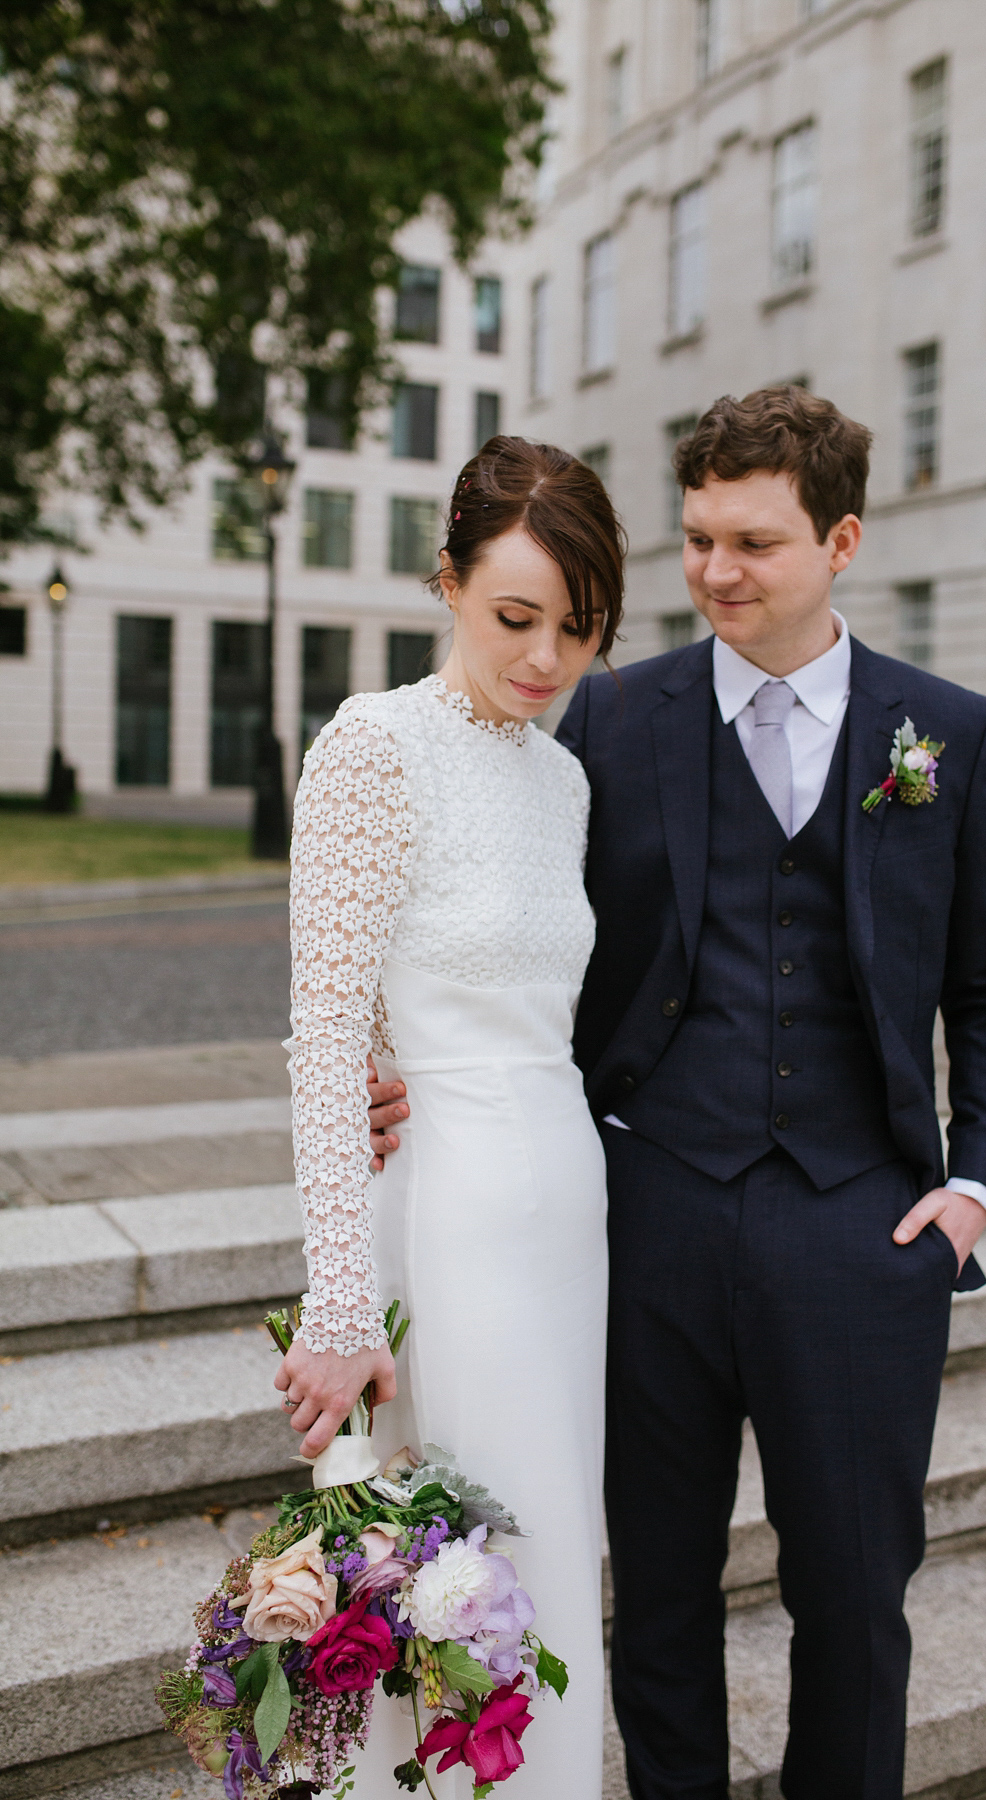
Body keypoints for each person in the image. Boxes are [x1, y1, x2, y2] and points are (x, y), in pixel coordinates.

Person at [369, 384, 986, 1800]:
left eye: (755, 542)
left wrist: (973, 1185)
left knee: (856, 1605)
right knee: (658, 1598)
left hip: (865, 1233)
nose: (718, 572)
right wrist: (422, 1069)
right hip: (650, 1217)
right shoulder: (610, 719)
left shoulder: (949, 734)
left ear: (841, 541)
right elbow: (504, 912)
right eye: (699, 540)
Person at [274, 436, 625, 1799]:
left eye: (579, 632)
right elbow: (324, 1031)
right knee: (449, 1584)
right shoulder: (376, 744)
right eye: (516, 619)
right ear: (447, 583)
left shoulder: (565, 778)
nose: (546, 661)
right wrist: (343, 1303)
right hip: (452, 1216)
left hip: (566, 1211)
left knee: (547, 1562)